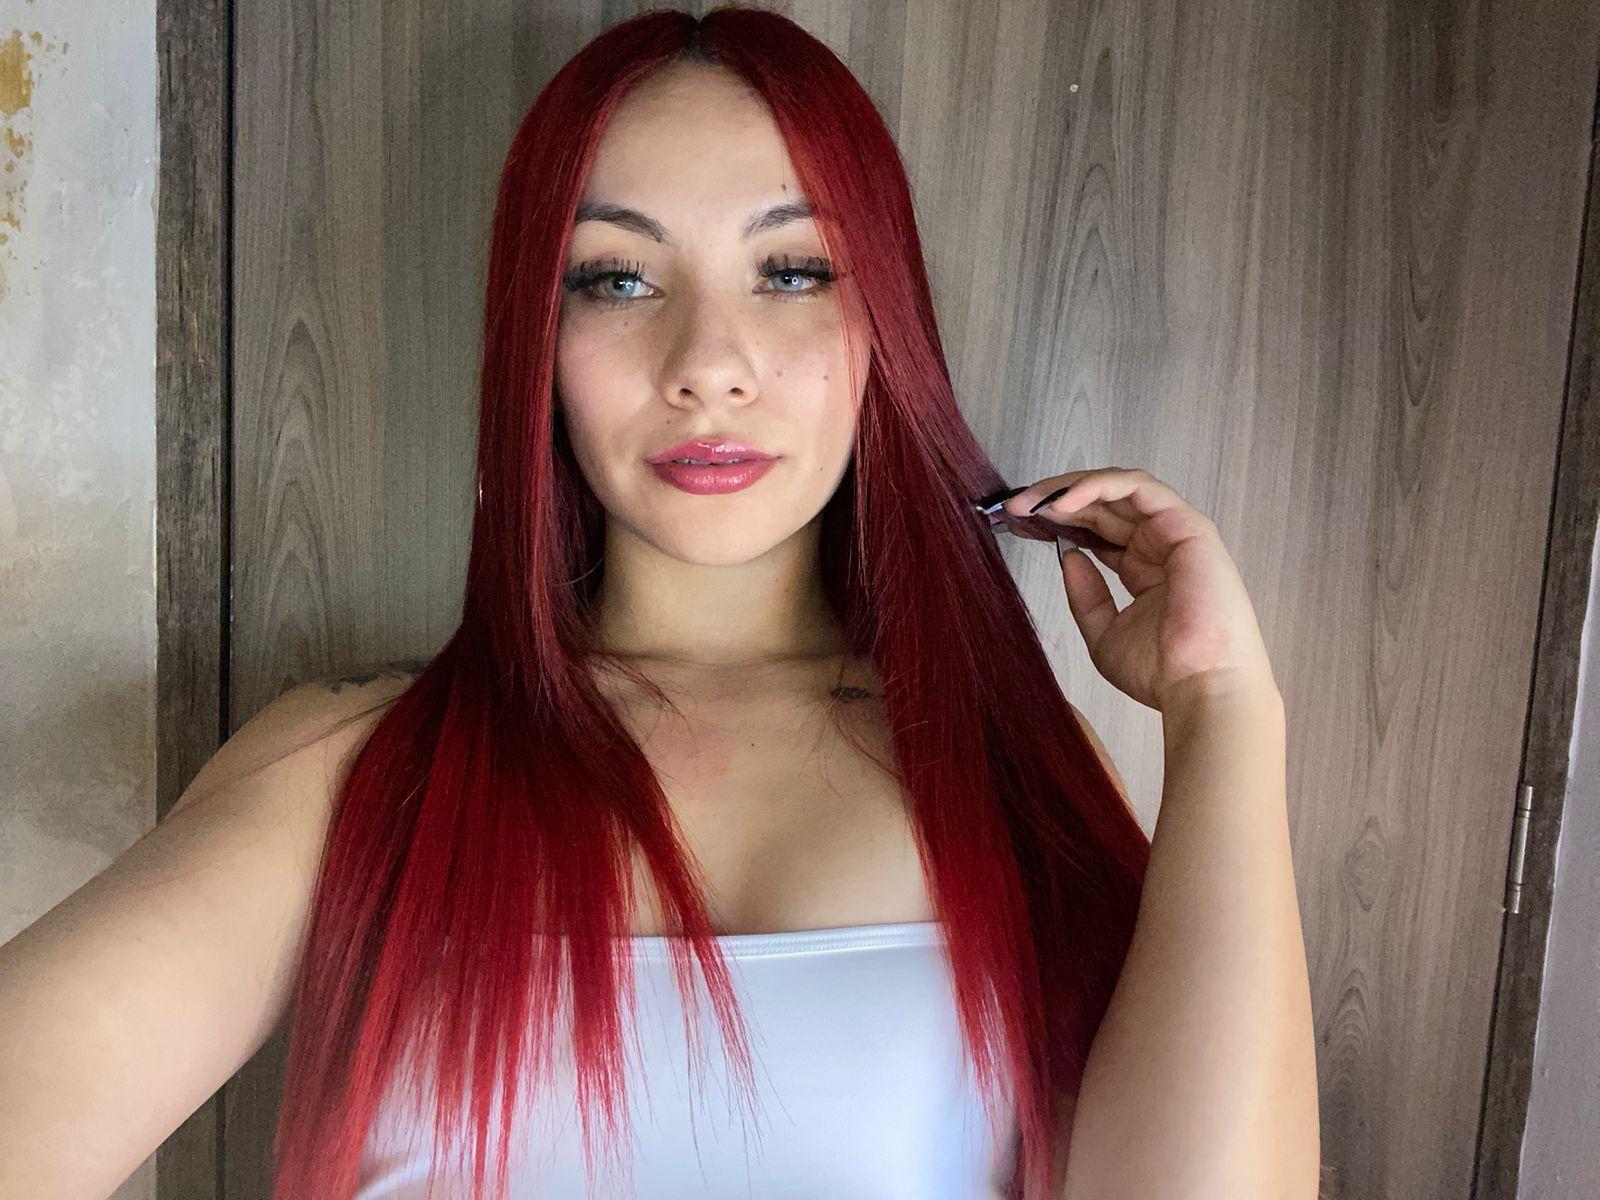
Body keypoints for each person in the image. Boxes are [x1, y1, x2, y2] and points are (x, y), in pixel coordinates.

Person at [0, 9, 1318, 1200]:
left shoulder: (1009, 768)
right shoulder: (356, 770)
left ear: (884, 325)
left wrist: (1223, 713)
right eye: (618, 277)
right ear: (539, 336)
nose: (709, 365)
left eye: (793, 269)